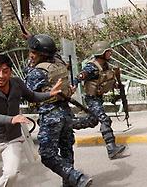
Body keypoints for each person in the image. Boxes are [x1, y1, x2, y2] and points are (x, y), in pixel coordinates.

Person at [0, 54, 61, 187]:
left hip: (13, 139)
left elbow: (32, 96)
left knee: (11, 174)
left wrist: (50, 94)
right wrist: (12, 119)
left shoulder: (16, 83)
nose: (1, 76)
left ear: (10, 72)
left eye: (5, 71)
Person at [25, 34, 92, 187]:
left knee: (47, 154)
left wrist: (29, 65)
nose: (31, 56)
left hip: (50, 116)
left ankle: (76, 177)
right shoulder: (58, 63)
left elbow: (29, 94)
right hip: (65, 112)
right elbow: (49, 50)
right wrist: (31, 38)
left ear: (41, 54)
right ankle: (70, 183)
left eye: (33, 53)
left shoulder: (36, 72)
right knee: (66, 150)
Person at [72, 41, 126, 159]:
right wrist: (74, 85)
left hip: (98, 98)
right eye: (108, 52)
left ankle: (68, 124)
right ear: (101, 53)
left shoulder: (105, 65)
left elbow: (104, 79)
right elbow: (80, 76)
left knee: (92, 121)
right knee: (105, 120)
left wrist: (115, 85)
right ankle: (111, 148)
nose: (110, 53)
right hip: (92, 99)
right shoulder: (92, 67)